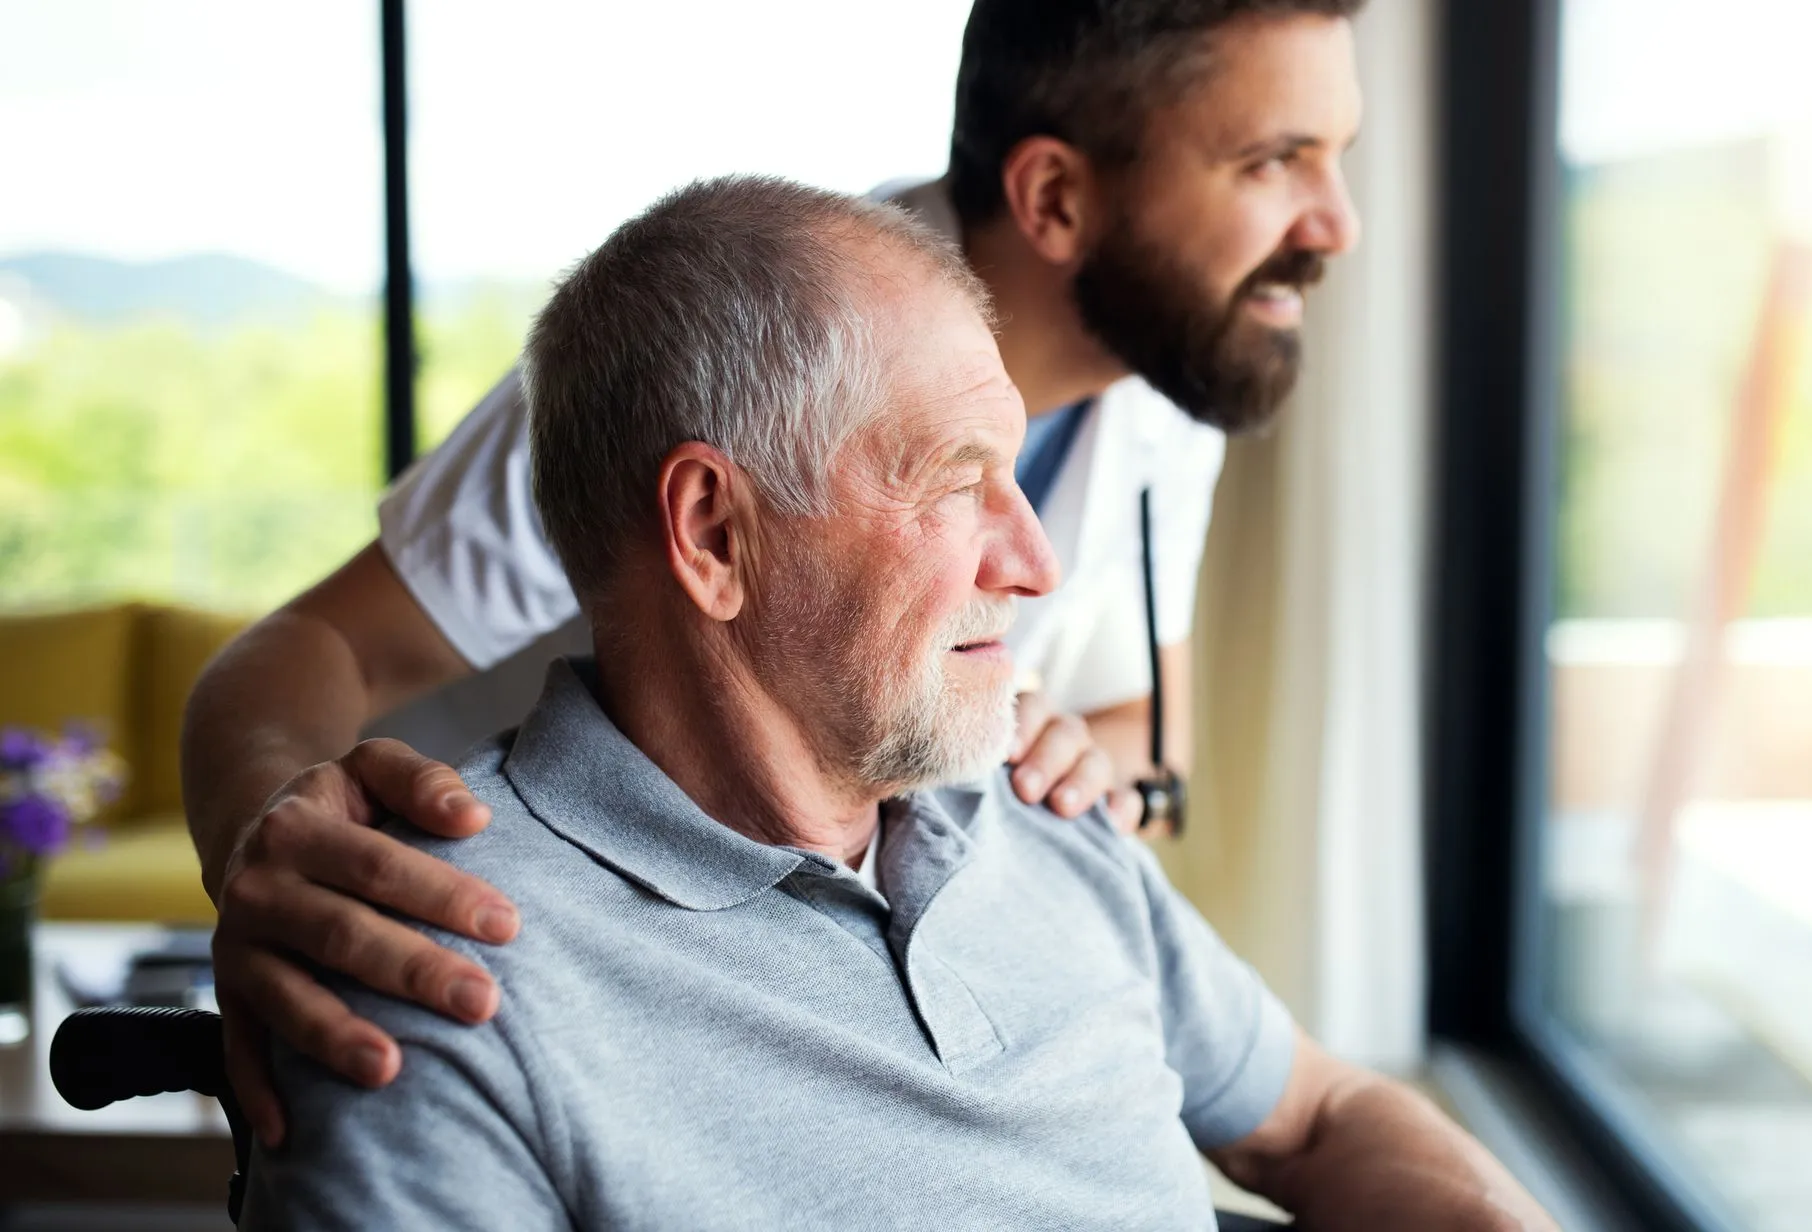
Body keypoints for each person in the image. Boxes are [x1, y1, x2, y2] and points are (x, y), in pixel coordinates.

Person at [243, 175, 1549, 1232]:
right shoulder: (432, 974)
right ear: (713, 533)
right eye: (956, 480)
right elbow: (289, 659)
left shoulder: (1044, 811)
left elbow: (1316, 1115)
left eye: (1020, 475)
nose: (1032, 566)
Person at [185, 0, 1367, 1147]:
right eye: (1275, 160)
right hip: (547, 983)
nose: (1336, 223)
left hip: (828, 968)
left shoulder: (1164, 390)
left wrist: (1048, 751)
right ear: (1055, 195)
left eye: (1337, 155)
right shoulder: (725, 356)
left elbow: (1153, 729)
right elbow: (303, 655)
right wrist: (267, 853)